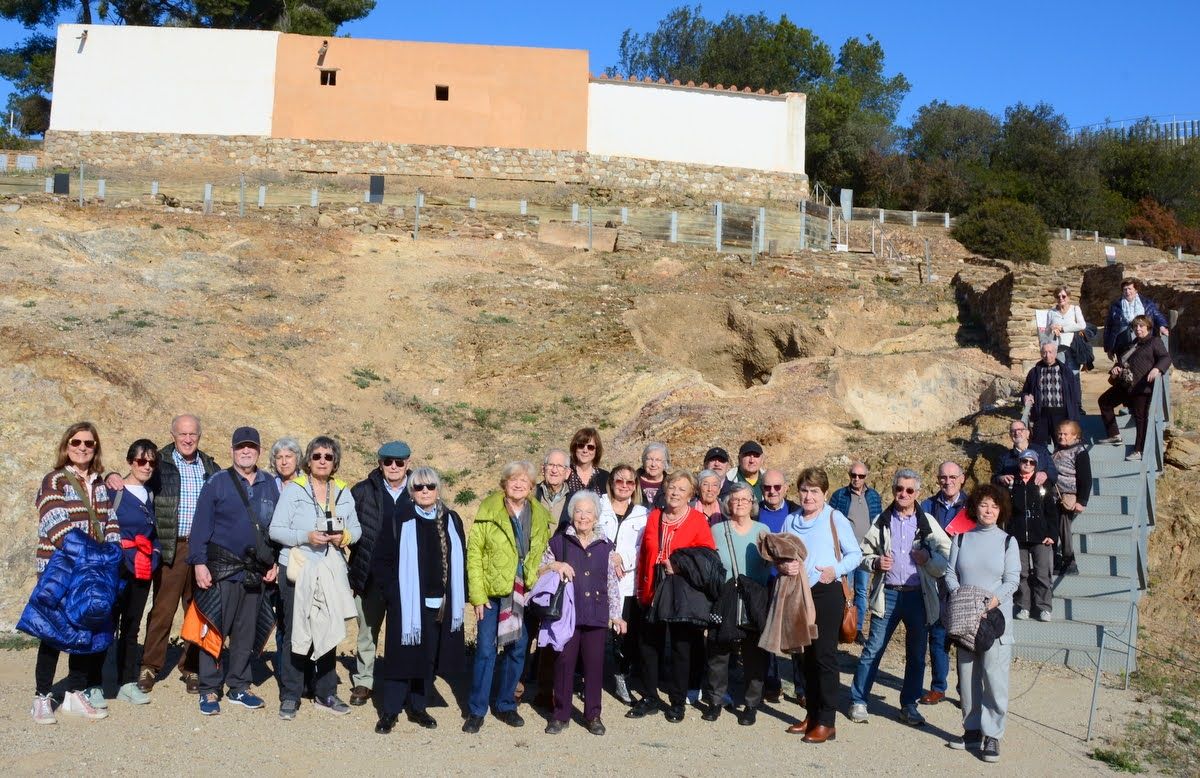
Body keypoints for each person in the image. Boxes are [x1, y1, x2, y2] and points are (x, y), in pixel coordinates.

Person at [188, 426, 280, 716]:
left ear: (259, 451)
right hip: (221, 568)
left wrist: (274, 562)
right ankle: (209, 689)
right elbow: (200, 525)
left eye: (251, 447)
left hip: (255, 571)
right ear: (232, 450)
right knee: (213, 628)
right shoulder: (217, 482)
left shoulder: (269, 484)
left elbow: (274, 529)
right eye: (241, 447)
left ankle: (239, 685)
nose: (246, 451)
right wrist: (199, 563)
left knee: (245, 632)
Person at [30, 422, 119, 724]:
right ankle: (42, 696)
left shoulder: (99, 484)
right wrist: (96, 556)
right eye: (76, 441)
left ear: (96, 448)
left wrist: (113, 553)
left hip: (92, 573)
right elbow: (56, 526)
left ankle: (74, 693)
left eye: (89, 443)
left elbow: (111, 524)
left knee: (85, 630)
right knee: (53, 631)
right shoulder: (54, 481)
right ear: (66, 445)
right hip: (61, 569)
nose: (82, 447)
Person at [850, 468, 950, 727]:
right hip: (889, 594)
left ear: (918, 493)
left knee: (917, 654)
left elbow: (948, 554)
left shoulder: (926, 521)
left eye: (909, 490)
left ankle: (909, 705)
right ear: (893, 490)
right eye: (899, 489)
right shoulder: (882, 521)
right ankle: (859, 699)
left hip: (918, 596)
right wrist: (875, 563)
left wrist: (929, 559)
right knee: (873, 649)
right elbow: (860, 555)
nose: (903, 494)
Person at [269, 436, 361, 720]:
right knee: (297, 631)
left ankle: (326, 692)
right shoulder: (294, 490)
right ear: (308, 460)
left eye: (328, 457)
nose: (323, 460)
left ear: (335, 462)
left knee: (329, 628)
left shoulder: (343, 491)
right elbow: (276, 530)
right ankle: (291, 694)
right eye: (318, 455)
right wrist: (305, 537)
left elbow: (356, 529)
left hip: (329, 568)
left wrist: (342, 537)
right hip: (298, 567)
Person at [372, 467, 467, 734]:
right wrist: (393, 593)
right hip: (407, 603)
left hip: (441, 604)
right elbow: (382, 561)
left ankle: (417, 706)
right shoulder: (399, 518)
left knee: (426, 658)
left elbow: (462, 557)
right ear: (411, 492)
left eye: (430, 486)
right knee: (401, 657)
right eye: (418, 487)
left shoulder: (451, 519)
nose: (425, 491)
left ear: (439, 489)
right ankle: (389, 711)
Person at [463, 461, 551, 734]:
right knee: (486, 650)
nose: (518, 484)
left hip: (522, 592)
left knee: (518, 647)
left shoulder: (539, 515)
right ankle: (477, 709)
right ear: (504, 483)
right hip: (491, 591)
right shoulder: (488, 510)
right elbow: (474, 554)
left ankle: (505, 704)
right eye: (513, 479)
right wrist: (477, 595)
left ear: (531, 487)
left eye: (524, 481)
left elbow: (543, 552)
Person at [136, 414, 218, 695]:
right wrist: (114, 478)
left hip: (201, 549)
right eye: (182, 434)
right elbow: (136, 480)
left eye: (192, 434)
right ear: (173, 434)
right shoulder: (158, 462)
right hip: (171, 545)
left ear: (199, 436)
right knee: (162, 609)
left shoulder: (209, 466)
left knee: (197, 611)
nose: (187, 439)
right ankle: (150, 665)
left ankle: (192, 668)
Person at [778, 467, 861, 743]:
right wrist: (784, 565)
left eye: (814, 490)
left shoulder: (834, 518)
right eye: (804, 490)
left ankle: (827, 721)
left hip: (826, 592)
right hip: (797, 593)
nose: (808, 495)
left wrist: (834, 570)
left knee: (824, 656)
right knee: (803, 656)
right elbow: (781, 554)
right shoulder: (790, 521)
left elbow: (856, 555)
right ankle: (811, 714)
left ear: (825, 493)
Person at [627, 471, 716, 723]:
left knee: (681, 646)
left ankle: (677, 702)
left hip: (681, 591)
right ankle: (650, 696)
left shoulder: (698, 520)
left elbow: (707, 556)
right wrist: (641, 590)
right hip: (653, 589)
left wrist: (679, 565)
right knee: (649, 646)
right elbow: (645, 555)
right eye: (672, 487)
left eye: (682, 489)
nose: (675, 492)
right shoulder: (655, 516)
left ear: (691, 494)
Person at [944, 484, 1021, 763]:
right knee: (967, 678)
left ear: (1001, 510)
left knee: (994, 678)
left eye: (994, 506)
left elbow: (1012, 580)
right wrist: (960, 595)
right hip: (966, 620)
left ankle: (993, 735)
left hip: (993, 622)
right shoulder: (961, 539)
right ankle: (972, 729)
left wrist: (988, 602)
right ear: (974, 507)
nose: (988, 510)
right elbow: (950, 573)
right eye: (984, 504)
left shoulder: (1007, 541)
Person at [538, 491, 626, 735]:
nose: (583, 516)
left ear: (596, 516)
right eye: (578, 511)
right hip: (567, 615)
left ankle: (593, 715)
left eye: (588, 512)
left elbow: (611, 583)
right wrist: (556, 565)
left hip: (596, 614)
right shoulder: (559, 542)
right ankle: (561, 714)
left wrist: (616, 615)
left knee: (594, 666)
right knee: (564, 663)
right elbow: (540, 570)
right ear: (571, 515)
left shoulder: (607, 545)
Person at [347, 440, 411, 707]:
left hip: (406, 578)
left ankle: (399, 682)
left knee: (402, 633)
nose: (394, 467)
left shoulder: (419, 490)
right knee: (367, 632)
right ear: (380, 463)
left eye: (399, 462)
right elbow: (348, 531)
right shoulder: (362, 491)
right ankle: (364, 680)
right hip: (371, 575)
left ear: (408, 463)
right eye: (388, 462)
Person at [704, 484, 770, 726]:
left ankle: (752, 703)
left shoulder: (763, 530)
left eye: (745, 499)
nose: (740, 503)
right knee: (719, 651)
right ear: (728, 504)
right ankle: (715, 700)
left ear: (753, 503)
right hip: (725, 597)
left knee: (754, 653)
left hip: (755, 597)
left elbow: (771, 562)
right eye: (735, 499)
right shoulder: (717, 530)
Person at [917, 461, 972, 707]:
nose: (947, 482)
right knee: (937, 636)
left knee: (963, 637)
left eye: (952, 477)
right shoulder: (927, 506)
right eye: (942, 477)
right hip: (936, 579)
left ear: (962, 479)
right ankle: (938, 687)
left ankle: (966, 689)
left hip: (963, 579)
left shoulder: (973, 506)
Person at [112, 439, 162, 706]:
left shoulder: (151, 494)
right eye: (141, 461)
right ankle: (93, 683)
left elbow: (152, 533)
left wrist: (154, 555)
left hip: (142, 568)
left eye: (152, 462)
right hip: (117, 566)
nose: (146, 466)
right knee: (106, 623)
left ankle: (127, 682)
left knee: (132, 626)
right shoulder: (115, 490)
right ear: (131, 461)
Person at [596, 463, 647, 705]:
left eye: (629, 482)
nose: (624, 486)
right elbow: (589, 533)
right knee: (594, 631)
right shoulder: (598, 505)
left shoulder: (642, 513)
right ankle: (589, 679)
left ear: (635, 486)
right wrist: (608, 556)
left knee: (623, 634)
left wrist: (623, 559)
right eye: (619, 480)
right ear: (611, 482)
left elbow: (643, 548)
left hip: (626, 583)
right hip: (597, 580)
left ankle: (621, 677)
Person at [1098, 314, 1171, 461]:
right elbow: (1122, 361)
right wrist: (1116, 368)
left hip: (1142, 388)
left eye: (1141, 326)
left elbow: (1165, 357)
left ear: (1148, 328)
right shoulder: (1132, 344)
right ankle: (1114, 435)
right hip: (1126, 385)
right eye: (1135, 326)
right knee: (1104, 401)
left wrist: (1157, 369)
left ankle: (1139, 450)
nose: (1138, 329)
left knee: (1141, 418)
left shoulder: (1154, 342)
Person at [828, 461, 881, 644]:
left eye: (861, 476)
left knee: (861, 591)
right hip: (845, 553)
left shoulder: (874, 496)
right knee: (844, 590)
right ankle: (840, 627)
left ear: (867, 476)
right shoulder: (839, 495)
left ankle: (856, 629)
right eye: (854, 475)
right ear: (849, 475)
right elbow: (830, 520)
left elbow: (878, 522)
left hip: (866, 553)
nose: (857, 479)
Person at [757, 468, 798, 704]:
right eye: (767, 488)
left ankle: (801, 686)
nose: (772, 492)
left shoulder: (796, 511)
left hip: (791, 581)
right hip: (765, 581)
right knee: (768, 633)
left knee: (795, 634)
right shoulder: (754, 513)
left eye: (777, 487)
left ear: (785, 488)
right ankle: (771, 683)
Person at [1007, 451, 1058, 622]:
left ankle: (1044, 607)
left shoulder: (1043, 483)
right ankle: (1023, 606)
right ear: (1019, 462)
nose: (1028, 464)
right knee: (1021, 573)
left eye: (1031, 462)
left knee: (1042, 573)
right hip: (1018, 536)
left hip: (1040, 536)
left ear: (1036, 465)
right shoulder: (1012, 484)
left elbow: (1051, 511)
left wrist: (1052, 533)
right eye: (1024, 461)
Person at [1021, 341, 1082, 446]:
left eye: (1050, 352)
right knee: (1037, 446)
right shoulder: (1034, 372)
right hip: (1041, 415)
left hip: (1061, 415)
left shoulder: (1066, 371)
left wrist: (1074, 416)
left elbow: (1074, 394)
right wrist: (1025, 397)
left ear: (1055, 353)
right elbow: (1025, 391)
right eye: (1044, 352)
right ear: (1041, 354)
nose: (1047, 355)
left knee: (1062, 445)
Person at [1052, 421, 1091, 576]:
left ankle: (1070, 561)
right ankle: (1054, 559)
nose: (1062, 437)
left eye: (1065, 434)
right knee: (1053, 527)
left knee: (1064, 528)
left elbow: (1086, 478)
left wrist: (1082, 501)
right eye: (1060, 434)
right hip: (1054, 495)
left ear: (1075, 435)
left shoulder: (1080, 452)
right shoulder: (1058, 449)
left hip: (1068, 496)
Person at [1103, 278, 1169, 360]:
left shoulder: (1146, 303)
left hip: (1142, 339)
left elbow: (1157, 315)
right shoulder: (1115, 305)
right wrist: (1109, 348)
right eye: (1125, 289)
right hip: (1122, 342)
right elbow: (1109, 327)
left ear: (1136, 290)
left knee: (1141, 363)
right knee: (1124, 365)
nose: (1127, 292)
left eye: (1130, 289)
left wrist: (1162, 326)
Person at [994, 420, 1057, 486]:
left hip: (1040, 492)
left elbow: (1053, 473)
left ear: (1027, 433)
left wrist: (1045, 474)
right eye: (1013, 431)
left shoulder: (1041, 451)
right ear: (1010, 436)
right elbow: (994, 479)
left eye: (1020, 430)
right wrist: (1000, 478)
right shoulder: (1004, 457)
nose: (1017, 432)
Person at [1040, 285, 1087, 370]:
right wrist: (1051, 328)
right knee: (1060, 375)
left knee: (1074, 375)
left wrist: (1062, 328)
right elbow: (1046, 332)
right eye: (1058, 296)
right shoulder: (1051, 312)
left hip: (1072, 348)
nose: (1061, 298)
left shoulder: (1075, 309)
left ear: (1068, 297)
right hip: (1057, 349)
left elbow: (1082, 325)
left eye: (1063, 296)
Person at [535, 448, 572, 532]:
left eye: (559, 466)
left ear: (567, 473)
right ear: (543, 469)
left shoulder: (575, 499)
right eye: (551, 465)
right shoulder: (530, 494)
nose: (554, 470)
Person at [565, 427, 609, 495]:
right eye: (581, 446)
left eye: (590, 447)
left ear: (596, 451)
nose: (585, 450)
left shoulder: (605, 477)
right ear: (575, 448)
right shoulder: (564, 473)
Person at [637, 442, 669, 509]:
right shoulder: (632, 481)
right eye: (650, 459)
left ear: (665, 463)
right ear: (643, 461)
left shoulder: (671, 483)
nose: (653, 464)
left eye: (658, 460)